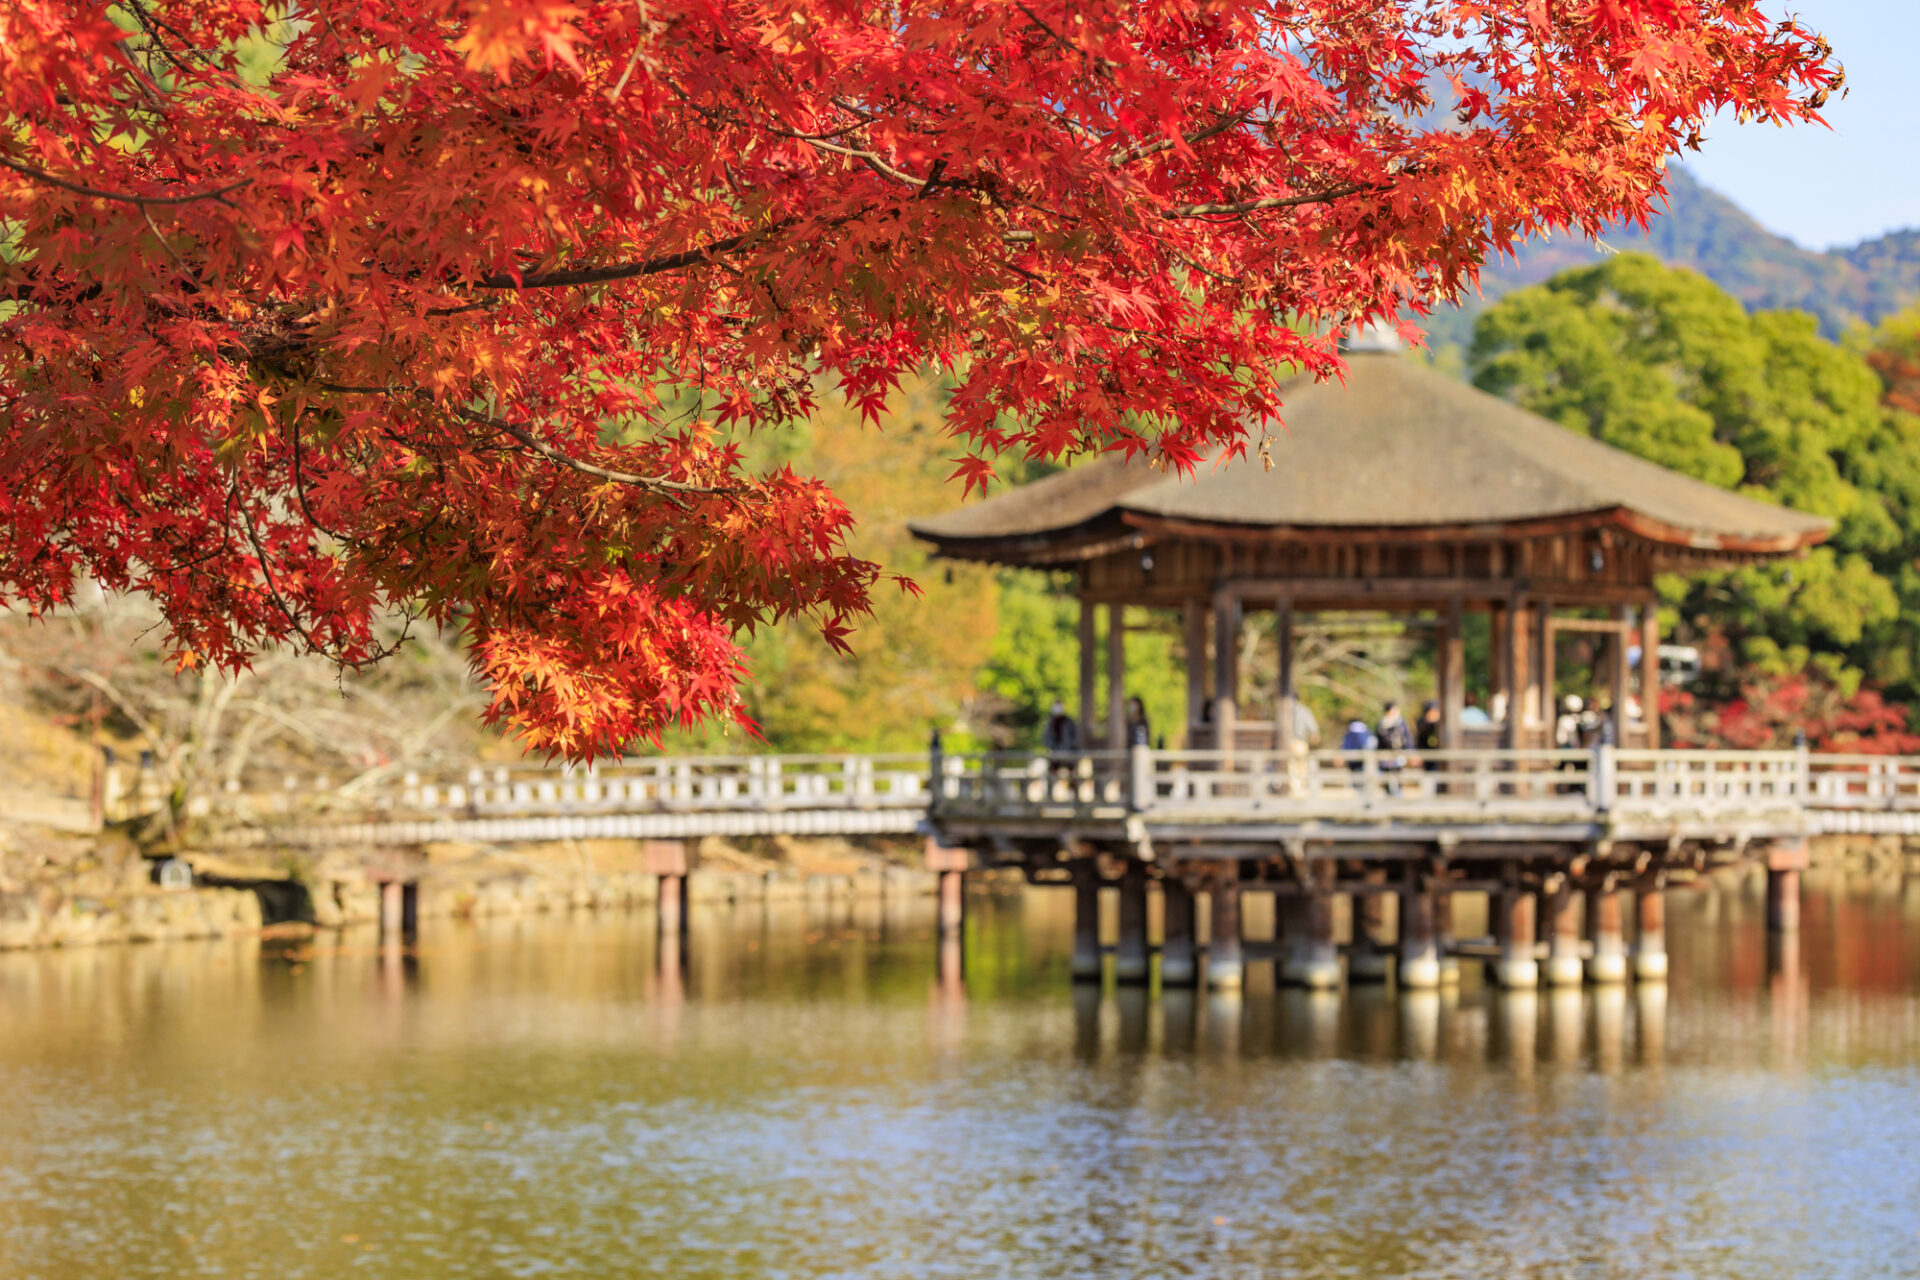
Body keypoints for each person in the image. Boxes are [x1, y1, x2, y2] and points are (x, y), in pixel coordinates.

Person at [1376, 701, 1412, 793]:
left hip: (1399, 754)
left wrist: (1410, 752)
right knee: (1387, 777)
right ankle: (1389, 794)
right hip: (1386, 755)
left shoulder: (1401, 723)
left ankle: (1398, 794)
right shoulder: (1382, 724)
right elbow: (1379, 741)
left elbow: (1407, 739)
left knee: (1399, 775)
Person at [1041, 699, 1079, 771]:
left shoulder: (1068, 721)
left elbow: (1075, 736)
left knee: (1072, 769)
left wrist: (1072, 746)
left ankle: (1073, 781)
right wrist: (1051, 747)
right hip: (1054, 750)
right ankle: (1052, 781)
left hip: (1068, 750)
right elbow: (1047, 737)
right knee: (1053, 769)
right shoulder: (1051, 723)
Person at [1415, 700, 1442, 771]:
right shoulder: (1422, 724)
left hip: (1440, 758)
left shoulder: (1441, 724)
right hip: (1427, 758)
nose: (1434, 715)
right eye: (1432, 712)